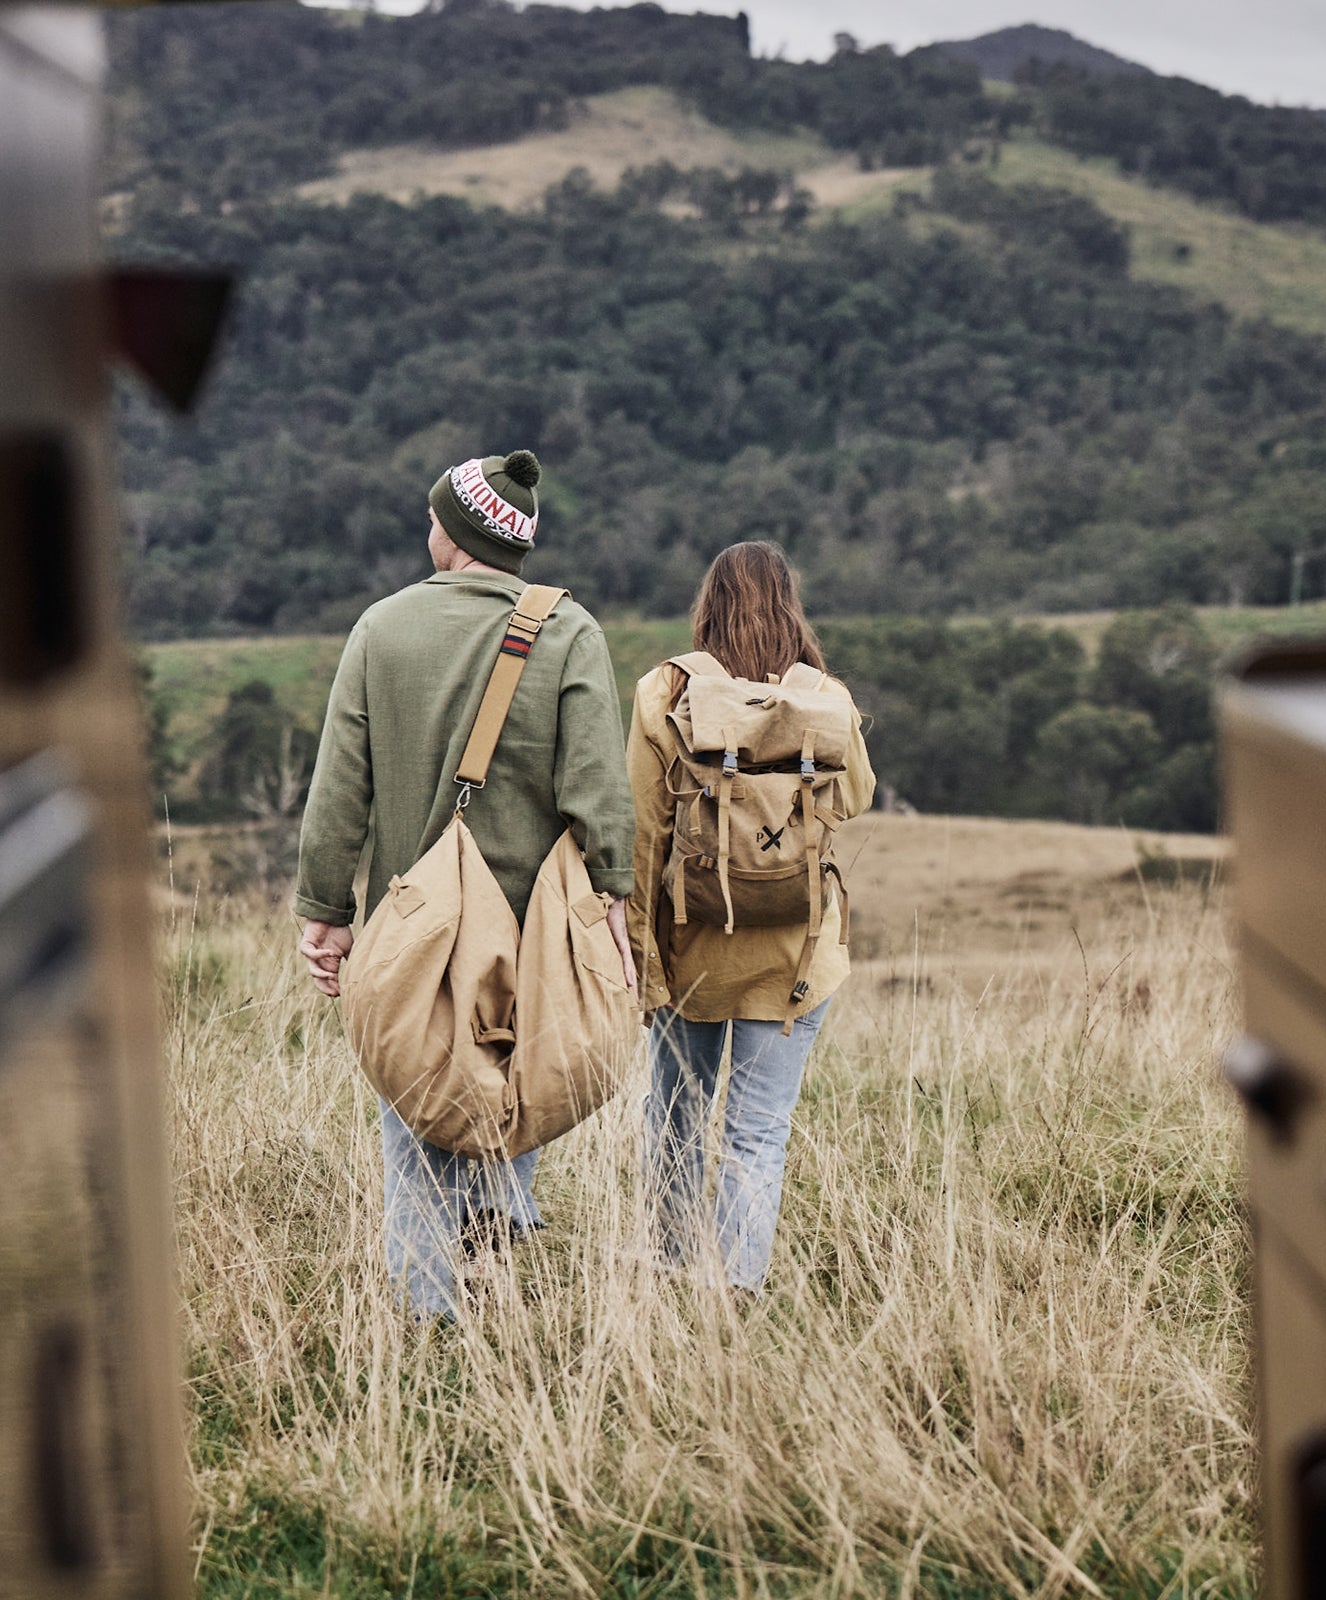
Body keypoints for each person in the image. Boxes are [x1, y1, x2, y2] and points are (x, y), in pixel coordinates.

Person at [295, 449, 637, 1322]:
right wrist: (616, 911)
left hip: (408, 928)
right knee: (515, 1090)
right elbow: (598, 796)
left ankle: (425, 1332)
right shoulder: (569, 632)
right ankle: (496, 1231)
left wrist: (325, 915)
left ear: (454, 533)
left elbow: (341, 790)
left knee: (414, 1113)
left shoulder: (381, 629)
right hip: (529, 938)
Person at [626, 541, 875, 1301]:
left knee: (675, 1114)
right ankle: (736, 1289)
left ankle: (667, 1267)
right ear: (791, 606)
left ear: (708, 607)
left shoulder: (665, 691)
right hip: (795, 955)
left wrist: (644, 959)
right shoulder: (822, 695)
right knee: (756, 1133)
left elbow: (642, 831)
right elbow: (857, 793)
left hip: (690, 947)